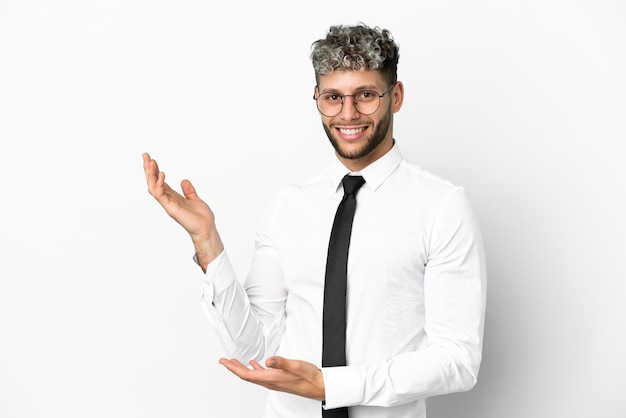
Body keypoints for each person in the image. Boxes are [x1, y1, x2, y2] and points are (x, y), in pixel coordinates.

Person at [143, 23, 487, 418]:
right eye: (333, 97)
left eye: (366, 96)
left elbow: (458, 360)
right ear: (316, 98)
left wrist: (332, 386)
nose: (348, 114)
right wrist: (207, 242)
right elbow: (255, 349)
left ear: (397, 96)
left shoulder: (442, 206)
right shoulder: (289, 204)